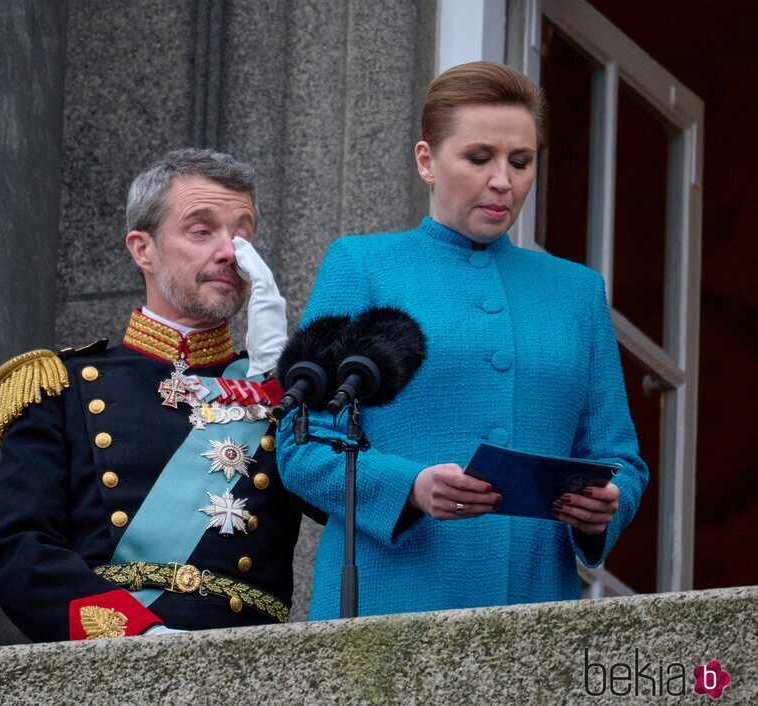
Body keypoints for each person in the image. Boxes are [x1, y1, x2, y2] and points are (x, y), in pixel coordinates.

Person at [277, 62, 649, 620]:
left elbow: (619, 458)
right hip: (387, 605)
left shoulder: (577, 293)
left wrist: (606, 507)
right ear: (427, 161)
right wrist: (411, 486)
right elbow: (300, 444)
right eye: (479, 158)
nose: (503, 179)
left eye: (520, 162)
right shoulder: (362, 266)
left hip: (537, 607)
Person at [0, 148, 315, 641]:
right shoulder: (62, 383)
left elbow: (345, 502)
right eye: (202, 231)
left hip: (255, 664)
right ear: (143, 249)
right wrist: (137, 637)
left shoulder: (285, 388)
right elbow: (19, 552)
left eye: (242, 233)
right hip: (114, 661)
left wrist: (289, 381)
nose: (230, 251)